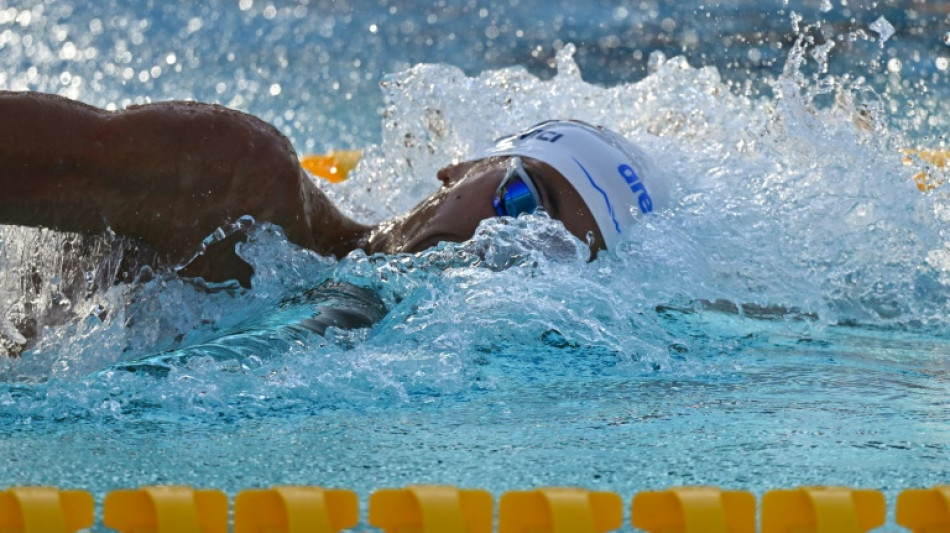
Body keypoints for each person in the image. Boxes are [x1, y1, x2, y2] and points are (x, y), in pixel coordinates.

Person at [0, 92, 668, 289]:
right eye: (522, 200)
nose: (501, 240)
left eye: (548, 252)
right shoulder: (233, 179)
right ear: (462, 168)